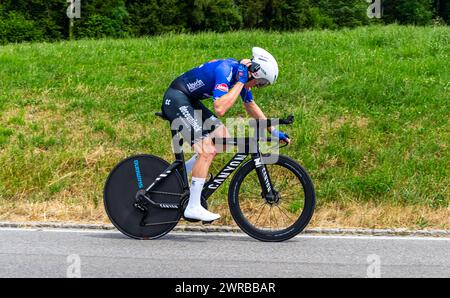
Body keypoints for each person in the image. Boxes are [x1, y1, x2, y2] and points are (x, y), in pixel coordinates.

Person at [161, 47, 290, 222]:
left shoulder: (240, 75)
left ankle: (179, 176)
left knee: (223, 138)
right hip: (176, 99)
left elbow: (250, 105)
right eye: (261, 83)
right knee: (207, 149)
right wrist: (240, 84)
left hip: (189, 100)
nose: (259, 87)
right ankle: (192, 206)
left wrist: (273, 130)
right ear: (255, 73)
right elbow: (220, 108)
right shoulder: (228, 71)